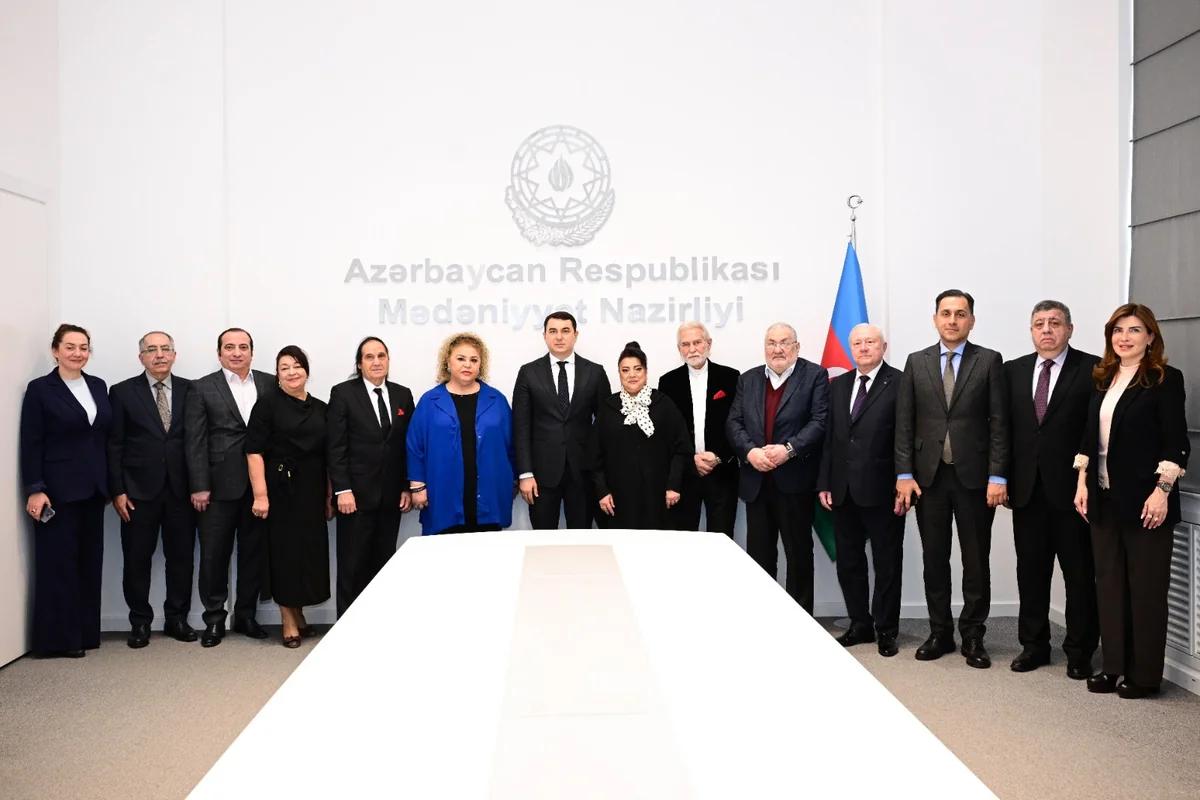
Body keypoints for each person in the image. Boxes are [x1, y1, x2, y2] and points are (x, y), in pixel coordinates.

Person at [1074, 303, 1189, 699]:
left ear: (1150, 337)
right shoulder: (1103, 378)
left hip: (1146, 503)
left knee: (1146, 591)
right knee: (1108, 587)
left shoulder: (1164, 379)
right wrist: (1082, 483)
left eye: (1135, 330)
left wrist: (1162, 492)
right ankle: (1113, 667)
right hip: (1103, 499)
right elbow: (1089, 438)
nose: (1125, 337)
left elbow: (1176, 442)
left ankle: (1144, 676)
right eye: (1118, 330)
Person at [895, 289, 1009, 669]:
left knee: (976, 560)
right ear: (935, 319)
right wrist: (904, 473)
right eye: (946, 313)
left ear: (971, 320)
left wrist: (997, 475)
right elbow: (904, 423)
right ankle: (939, 632)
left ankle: (973, 635)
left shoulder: (989, 360)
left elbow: (999, 423)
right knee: (935, 559)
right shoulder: (917, 362)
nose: (952, 320)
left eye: (960, 314)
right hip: (928, 479)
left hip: (975, 479)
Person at [1004, 301, 1099, 678]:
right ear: (1031, 330)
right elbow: (1005, 429)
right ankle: (1034, 646)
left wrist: (1086, 479)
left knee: (1079, 575)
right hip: (1027, 491)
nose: (1047, 329)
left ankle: (1079, 651)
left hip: (1074, 493)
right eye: (1039, 323)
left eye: (1055, 323)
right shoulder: (1013, 371)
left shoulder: (1093, 369)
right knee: (1031, 573)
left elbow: (1094, 431)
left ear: (1069, 329)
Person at [20, 324, 112, 658]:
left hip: (94, 490)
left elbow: (102, 437)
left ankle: (85, 634)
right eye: (70, 346)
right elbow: (31, 442)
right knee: (58, 565)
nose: (77, 353)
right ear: (55, 350)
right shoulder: (40, 389)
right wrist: (35, 488)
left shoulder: (98, 386)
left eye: (83, 347)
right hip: (56, 491)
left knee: (89, 563)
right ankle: (59, 640)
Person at [726, 323, 828, 613]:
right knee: (759, 555)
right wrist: (750, 451)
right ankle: (765, 616)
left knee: (798, 555)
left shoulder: (815, 376)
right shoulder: (748, 379)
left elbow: (820, 421)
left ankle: (801, 618)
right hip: (757, 483)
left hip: (794, 482)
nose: (778, 349)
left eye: (785, 342)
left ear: (797, 346)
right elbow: (734, 422)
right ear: (764, 347)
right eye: (772, 343)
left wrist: (789, 449)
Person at [817, 324, 905, 657]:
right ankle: (860, 623)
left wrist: (904, 481)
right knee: (849, 562)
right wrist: (825, 482)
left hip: (884, 490)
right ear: (850, 348)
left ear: (884, 346)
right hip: (843, 489)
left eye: (870, 342)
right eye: (857, 343)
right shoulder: (838, 385)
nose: (864, 347)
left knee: (887, 564)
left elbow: (906, 437)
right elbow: (830, 438)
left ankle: (886, 629)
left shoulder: (900, 382)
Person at [184, 328, 274, 647]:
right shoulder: (201, 387)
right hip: (217, 487)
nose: (237, 352)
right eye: (230, 347)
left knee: (254, 553)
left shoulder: (270, 383)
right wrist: (199, 485)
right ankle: (214, 619)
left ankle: (246, 615)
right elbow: (195, 441)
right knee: (214, 555)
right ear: (219, 353)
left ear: (252, 351)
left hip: (260, 486)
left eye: (243, 347)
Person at [107, 331, 196, 648]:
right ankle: (140, 622)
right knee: (136, 560)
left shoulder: (191, 389)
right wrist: (117, 490)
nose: (159, 355)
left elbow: (197, 441)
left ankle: (177, 618)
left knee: (181, 559)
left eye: (165, 349)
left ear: (174, 354)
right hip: (137, 493)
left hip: (181, 491)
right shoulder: (121, 392)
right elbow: (114, 444)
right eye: (152, 350)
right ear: (141, 356)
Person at [246, 346, 331, 648]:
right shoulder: (267, 405)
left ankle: (299, 611)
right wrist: (260, 495)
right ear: (277, 374)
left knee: (308, 554)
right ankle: (288, 619)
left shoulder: (321, 408)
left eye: (297, 366)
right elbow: (253, 451)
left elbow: (329, 455)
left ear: (306, 370)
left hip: (312, 490)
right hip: (280, 490)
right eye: (285, 367)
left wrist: (329, 496)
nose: (292, 372)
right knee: (284, 554)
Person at [327, 336, 414, 618]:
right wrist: (342, 490)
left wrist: (406, 486)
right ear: (359, 364)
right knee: (352, 567)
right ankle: (346, 627)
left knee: (384, 565)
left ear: (388, 360)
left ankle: (378, 623)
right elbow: (335, 446)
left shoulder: (403, 394)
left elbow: (407, 445)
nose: (376, 362)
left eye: (381, 356)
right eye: (369, 357)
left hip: (390, 498)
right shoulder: (343, 394)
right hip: (355, 498)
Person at [407, 332, 515, 535]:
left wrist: (513, 481)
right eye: (461, 359)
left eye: (474, 360)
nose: (467, 365)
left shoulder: (497, 400)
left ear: (481, 365)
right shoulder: (429, 401)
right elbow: (415, 446)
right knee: (446, 550)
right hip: (442, 492)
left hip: (489, 491)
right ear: (448, 362)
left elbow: (512, 446)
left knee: (487, 550)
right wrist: (417, 486)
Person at [512, 311, 610, 529]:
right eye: (553, 331)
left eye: (565, 331)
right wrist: (525, 473)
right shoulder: (528, 372)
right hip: (541, 476)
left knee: (581, 538)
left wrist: (601, 477)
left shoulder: (595, 372)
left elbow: (604, 427)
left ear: (576, 335)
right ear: (544, 336)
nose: (559, 337)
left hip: (583, 473)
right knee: (543, 539)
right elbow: (520, 427)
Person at [590, 341, 691, 529]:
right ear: (619, 374)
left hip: (659, 498)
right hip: (617, 500)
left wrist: (673, 486)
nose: (632, 375)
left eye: (637, 369)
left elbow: (681, 448)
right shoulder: (609, 407)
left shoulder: (663, 404)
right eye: (625, 370)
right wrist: (602, 491)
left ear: (646, 372)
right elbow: (595, 455)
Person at [657, 322, 740, 537]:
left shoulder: (731, 378)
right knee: (684, 542)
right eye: (685, 344)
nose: (692, 349)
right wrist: (690, 459)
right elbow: (667, 433)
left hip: (722, 473)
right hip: (685, 476)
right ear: (679, 349)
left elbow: (738, 424)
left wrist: (718, 456)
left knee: (721, 541)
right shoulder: (668, 382)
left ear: (708, 344)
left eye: (697, 342)